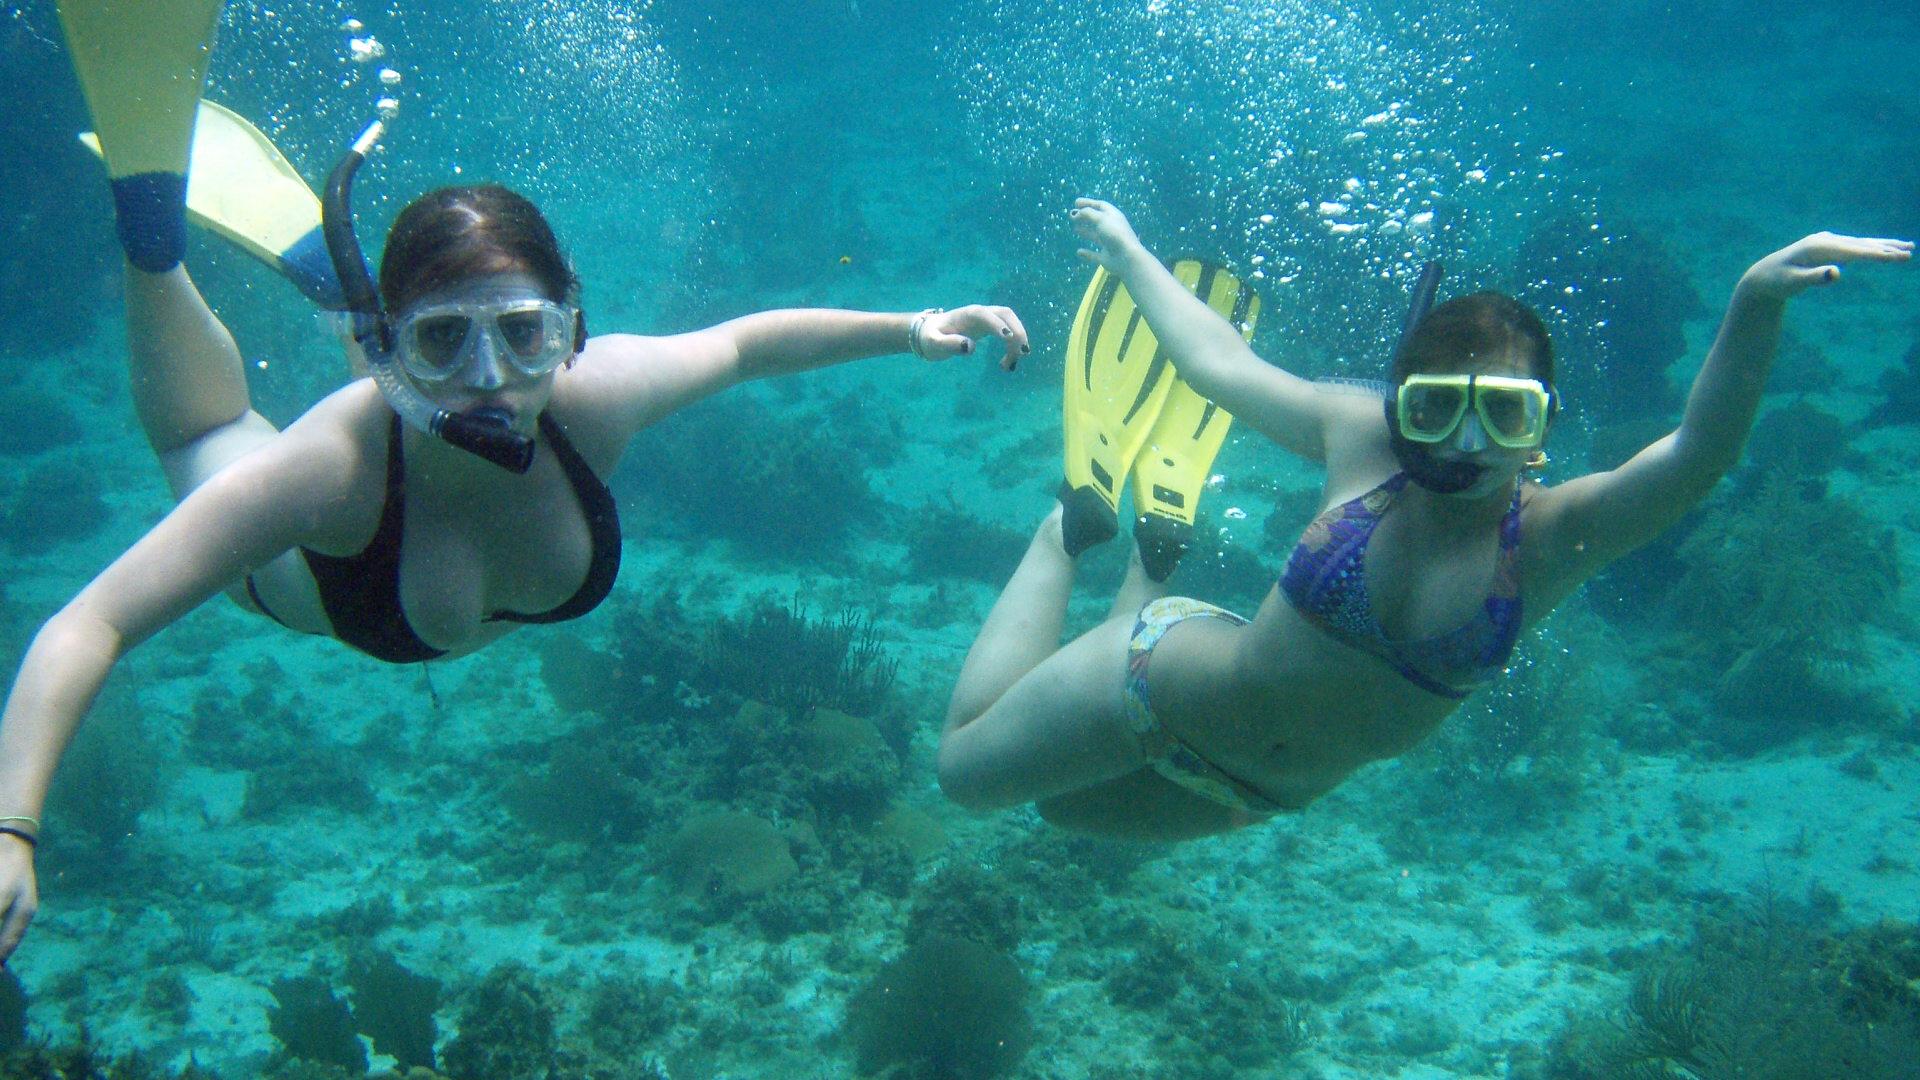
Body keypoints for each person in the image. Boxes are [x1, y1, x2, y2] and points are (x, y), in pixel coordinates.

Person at [0, 0, 1028, 962]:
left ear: (570, 327)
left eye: (524, 334)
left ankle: (356, 288)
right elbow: (89, 623)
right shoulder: (329, 466)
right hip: (287, 582)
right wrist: (11, 827)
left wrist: (910, 329)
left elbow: (744, 345)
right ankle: (151, 243)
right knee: (211, 434)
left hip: (388, 395)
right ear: (387, 356)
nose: (492, 381)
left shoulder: (594, 393)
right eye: (443, 343)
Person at [938, 196, 1909, 842]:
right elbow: (1217, 365)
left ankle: (1157, 542)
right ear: (1401, 403)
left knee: (1063, 822)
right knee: (966, 780)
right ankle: (1069, 529)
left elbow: (1699, 454)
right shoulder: (1361, 439)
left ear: (1544, 430)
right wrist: (1133, 254)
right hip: (1153, 684)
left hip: (1254, 796)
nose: (1468, 443)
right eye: (1439, 407)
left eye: (1508, 413)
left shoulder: (1555, 536)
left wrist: (1753, 303)